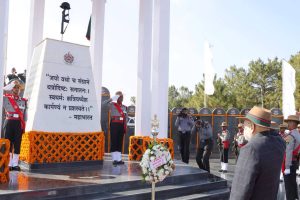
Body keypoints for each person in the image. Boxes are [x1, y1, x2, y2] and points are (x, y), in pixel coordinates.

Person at [229, 106, 285, 200]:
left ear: (251, 126)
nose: (243, 128)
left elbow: (240, 191)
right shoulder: (279, 143)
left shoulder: (251, 149)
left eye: (245, 124)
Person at [3, 80, 27, 171]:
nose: (16, 89)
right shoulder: (6, 98)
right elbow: (2, 90)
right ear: (11, 89)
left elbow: (25, 115)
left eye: (18, 88)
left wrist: (24, 124)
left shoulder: (24, 101)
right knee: (8, 143)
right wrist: (11, 84)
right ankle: (9, 163)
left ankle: (15, 164)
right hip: (9, 122)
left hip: (18, 123)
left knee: (17, 143)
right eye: (14, 87)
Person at [103, 91, 127, 165]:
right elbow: (103, 104)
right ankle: (114, 159)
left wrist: (125, 126)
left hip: (121, 125)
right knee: (114, 141)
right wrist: (111, 98)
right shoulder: (112, 105)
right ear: (117, 97)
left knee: (119, 142)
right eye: (119, 96)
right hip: (114, 124)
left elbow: (126, 117)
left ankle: (119, 159)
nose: (121, 98)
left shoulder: (124, 107)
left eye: (122, 96)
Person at [282, 115, 300, 200]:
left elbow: (288, 152)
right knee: (293, 183)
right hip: (295, 161)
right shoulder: (297, 134)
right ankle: (295, 197)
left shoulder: (290, 136)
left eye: (289, 122)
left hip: (289, 162)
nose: (287, 124)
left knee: (288, 185)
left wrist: (287, 167)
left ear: (293, 123)